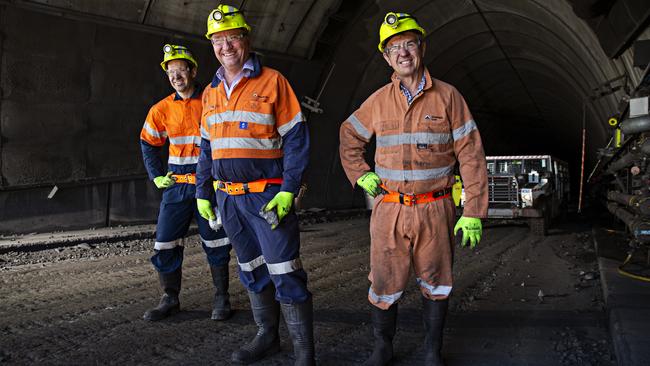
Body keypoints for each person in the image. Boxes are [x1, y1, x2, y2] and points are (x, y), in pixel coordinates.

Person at [339, 11, 488, 366]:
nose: (403, 53)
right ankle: (383, 347)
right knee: (384, 282)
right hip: (389, 209)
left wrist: (473, 212)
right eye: (394, 48)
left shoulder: (449, 97)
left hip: (435, 208)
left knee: (437, 282)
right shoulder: (378, 101)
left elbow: (471, 153)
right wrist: (361, 174)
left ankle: (432, 350)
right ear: (386, 57)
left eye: (409, 44)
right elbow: (349, 135)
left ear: (421, 47)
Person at [194, 5, 314, 365]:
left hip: (266, 196)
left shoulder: (273, 82)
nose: (225, 45)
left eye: (232, 37)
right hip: (228, 200)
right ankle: (268, 336)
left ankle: (304, 355)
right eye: (218, 39)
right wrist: (203, 192)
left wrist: (288, 190)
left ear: (246, 39)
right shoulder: (211, 91)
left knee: (285, 271)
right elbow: (206, 147)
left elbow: (296, 139)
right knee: (252, 270)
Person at [139, 44, 233, 322]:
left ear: (193, 70)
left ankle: (222, 298)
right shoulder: (161, 109)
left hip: (209, 185)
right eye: (171, 72)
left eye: (181, 70)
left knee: (216, 243)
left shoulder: (213, 100)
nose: (176, 76)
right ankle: (169, 298)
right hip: (177, 187)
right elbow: (147, 143)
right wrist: (156, 176)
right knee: (165, 242)